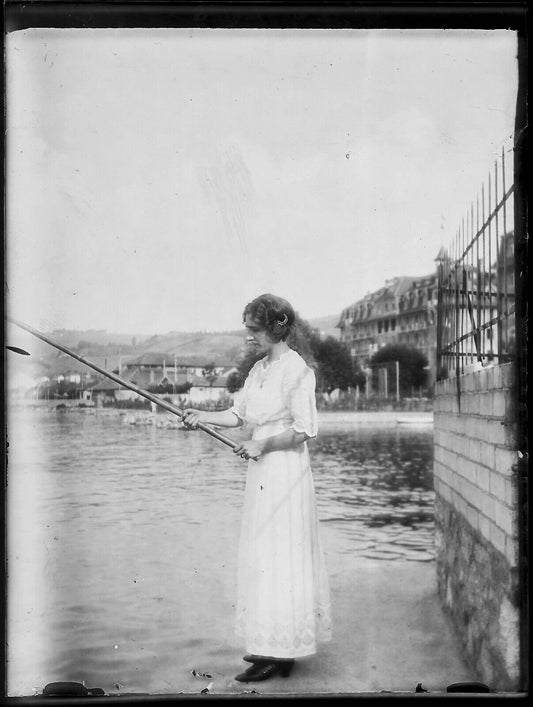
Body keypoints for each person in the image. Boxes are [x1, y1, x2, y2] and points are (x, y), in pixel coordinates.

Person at [182, 293, 331, 683]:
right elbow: (238, 414)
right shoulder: (259, 369)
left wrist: (262, 443)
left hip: (285, 471)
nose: (248, 336)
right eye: (247, 329)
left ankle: (283, 653)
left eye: (254, 329)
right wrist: (203, 417)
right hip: (262, 473)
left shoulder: (297, 370)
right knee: (263, 555)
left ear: (276, 327)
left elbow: (303, 430)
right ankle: (269, 645)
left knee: (282, 556)